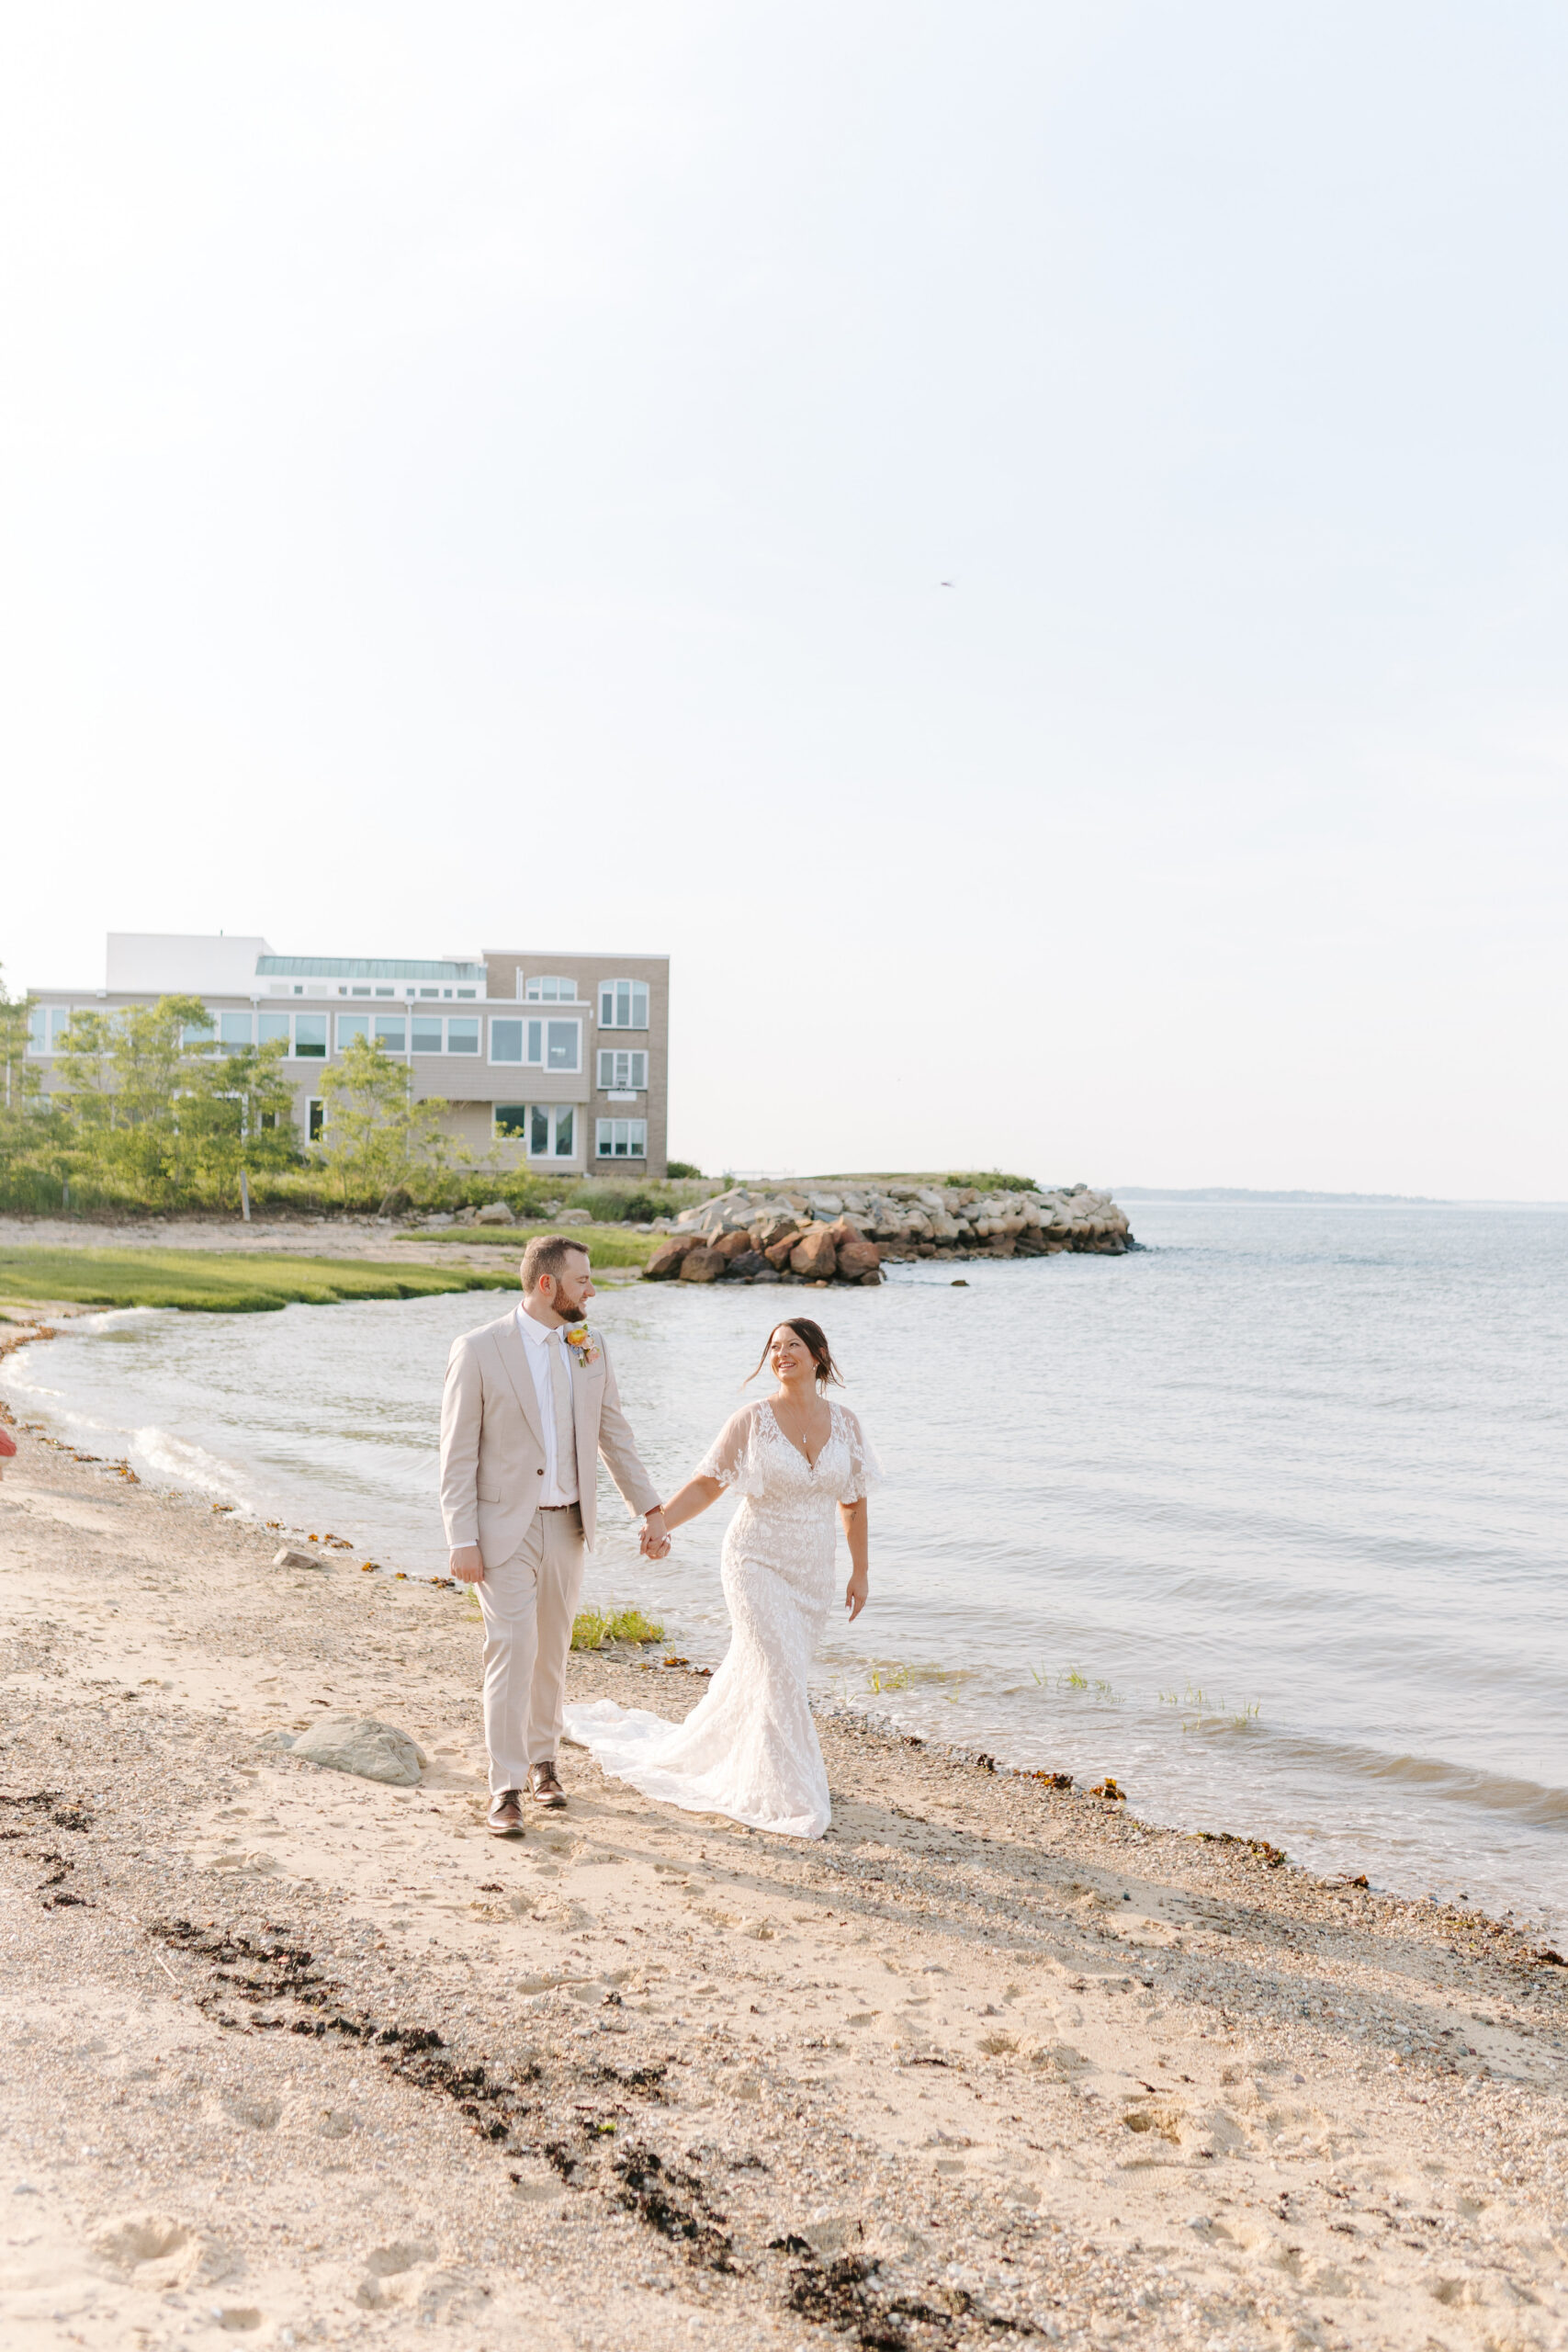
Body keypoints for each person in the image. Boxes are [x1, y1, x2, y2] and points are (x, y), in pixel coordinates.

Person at [563, 1318, 878, 1838]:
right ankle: (789, 1787)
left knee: (778, 1673)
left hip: (813, 1572)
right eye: (773, 1348)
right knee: (777, 1667)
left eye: (792, 1346)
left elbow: (853, 1503)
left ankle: (748, 1759)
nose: (781, 1355)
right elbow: (708, 1486)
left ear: (818, 1354)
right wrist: (659, 1520)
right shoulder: (752, 1420)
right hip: (754, 1561)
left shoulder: (846, 1424)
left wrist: (860, 1571)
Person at [439, 1233, 667, 1834]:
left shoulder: (588, 1345)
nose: (592, 1291)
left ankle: (544, 1762)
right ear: (548, 1285)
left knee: (551, 1653)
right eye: (582, 1280)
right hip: (499, 1532)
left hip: (568, 1526)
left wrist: (650, 1509)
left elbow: (613, 1434)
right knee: (510, 1651)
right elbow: (457, 1454)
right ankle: (505, 1787)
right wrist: (461, 1537)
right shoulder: (480, 1349)